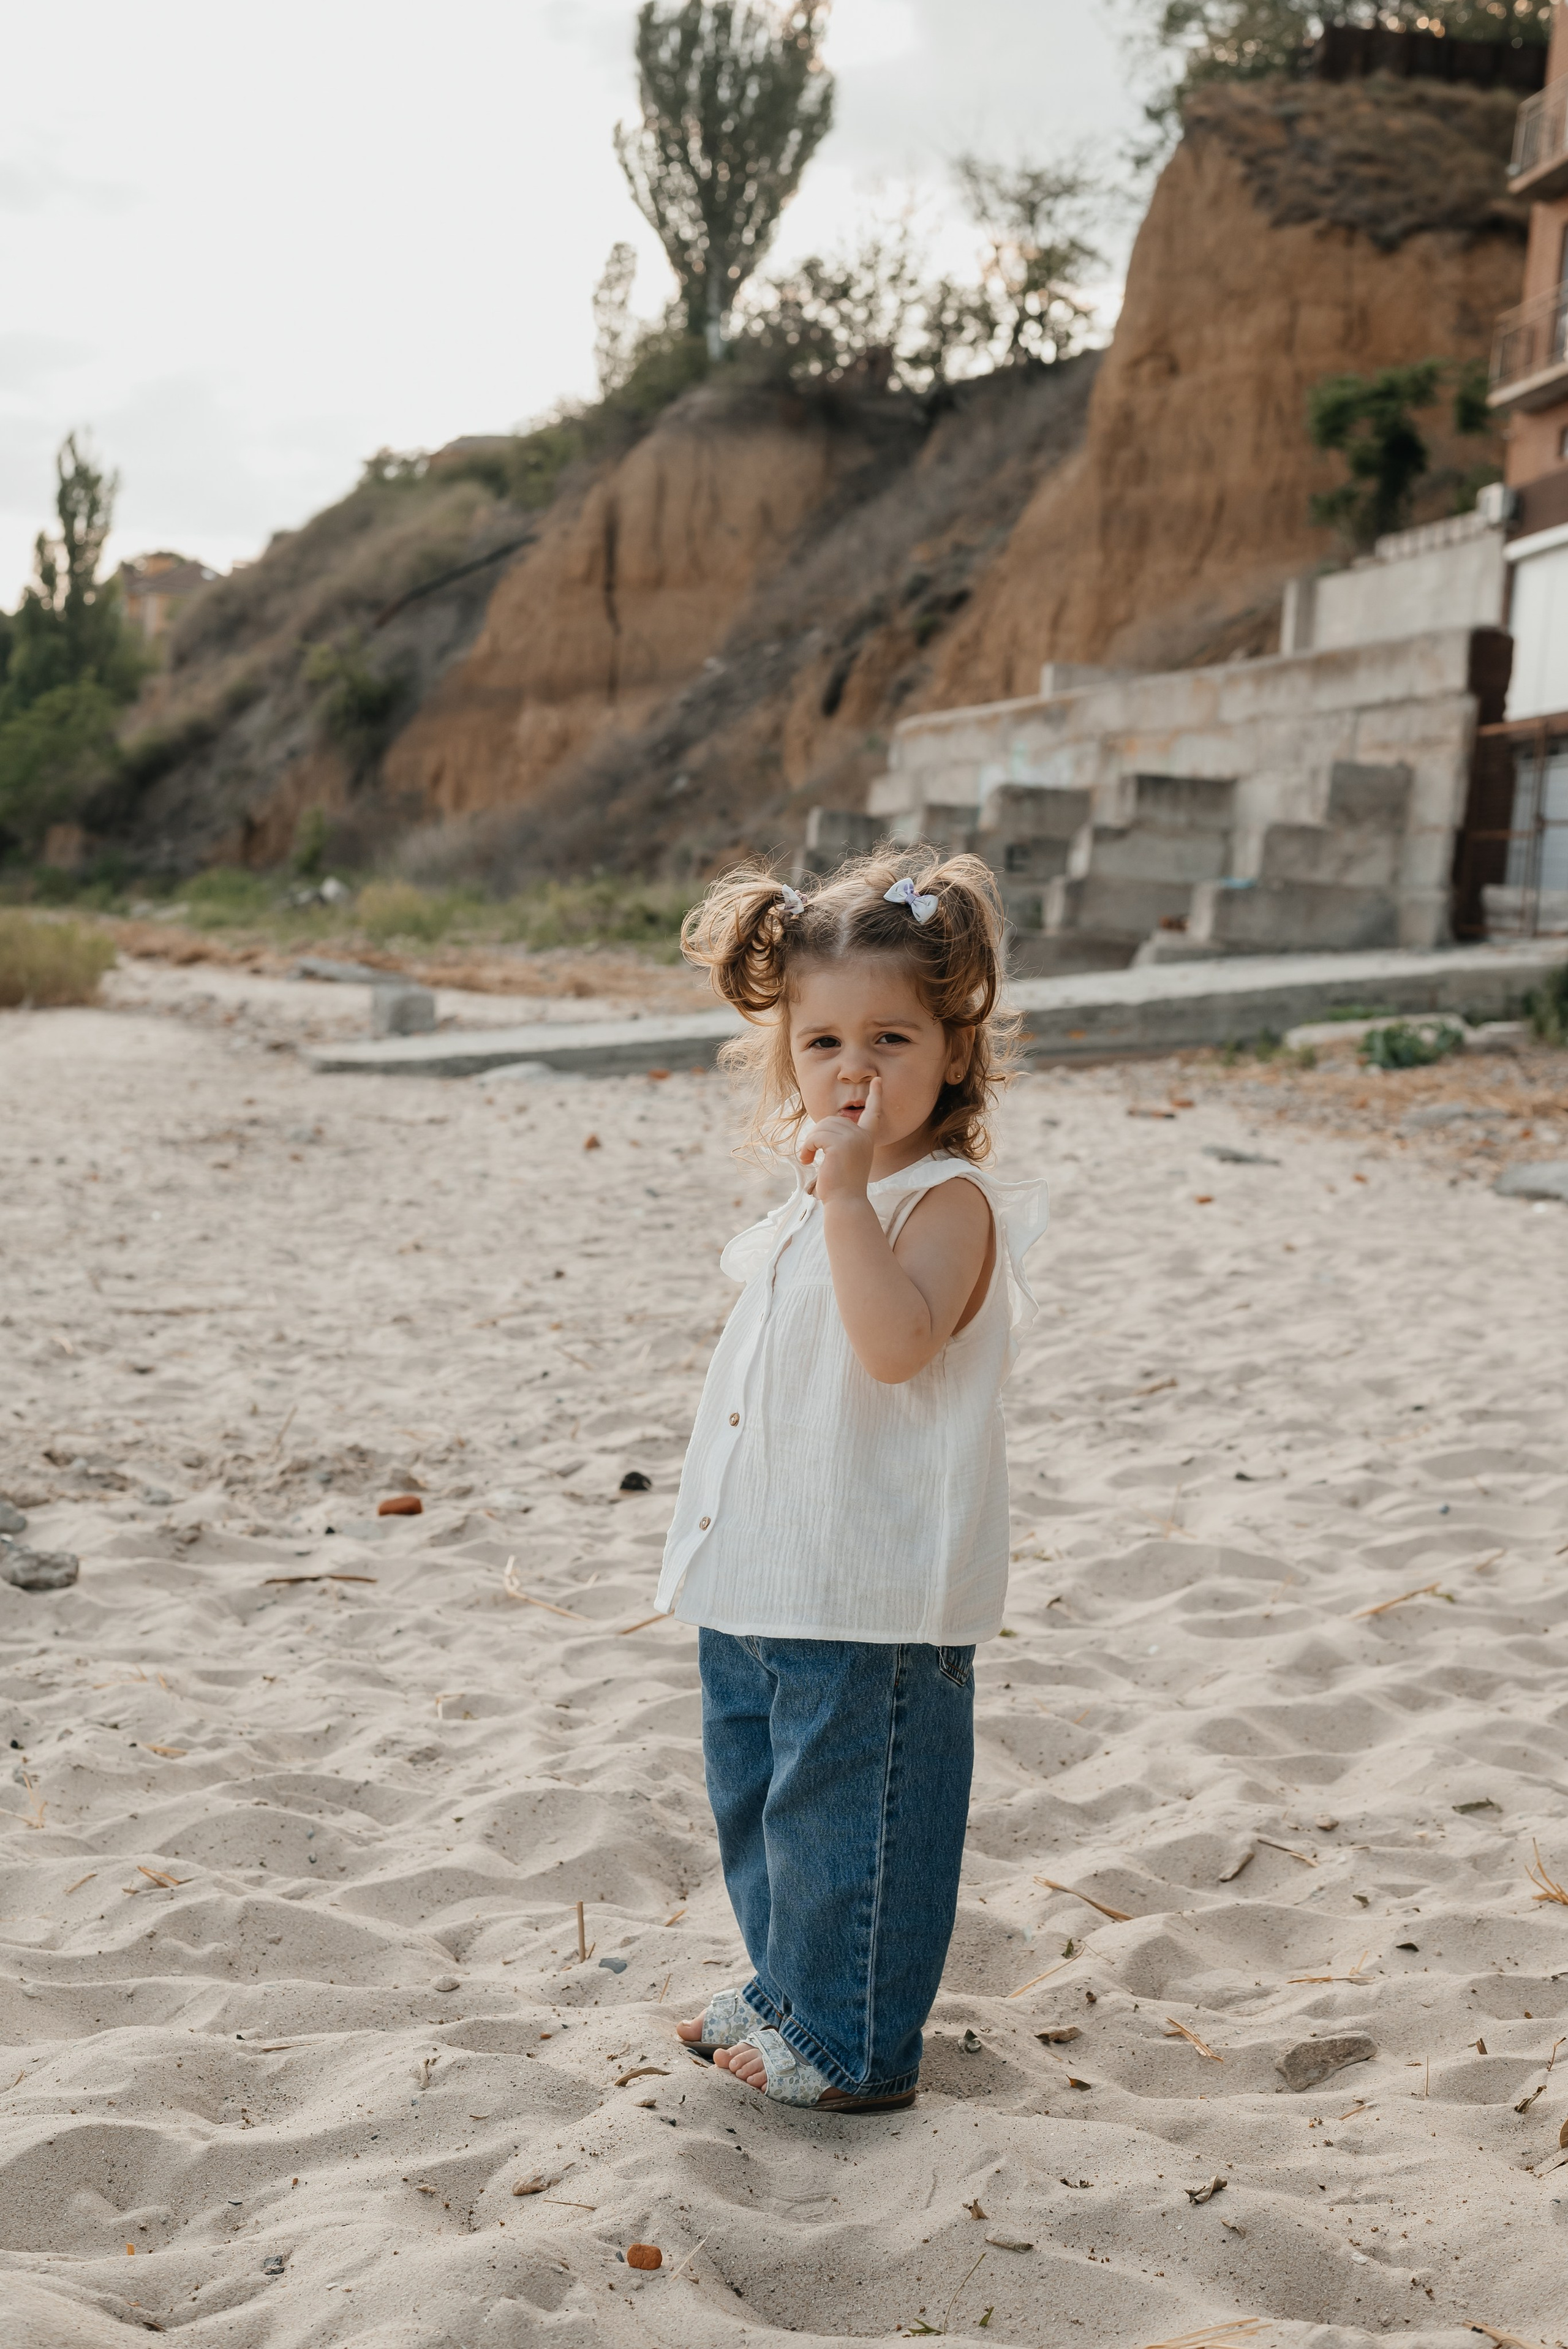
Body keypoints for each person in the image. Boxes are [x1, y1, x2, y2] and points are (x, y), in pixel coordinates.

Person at [657, 850, 1049, 2113]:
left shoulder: (944, 1203)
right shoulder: (818, 1196)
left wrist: (839, 1208)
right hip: (770, 1565)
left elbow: (890, 1345)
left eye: (890, 1036)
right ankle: (790, 1985)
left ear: (954, 1047)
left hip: (872, 1589)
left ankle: (852, 2036)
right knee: (764, 1802)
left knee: (851, 1815)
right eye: (822, 1041)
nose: (852, 1069)